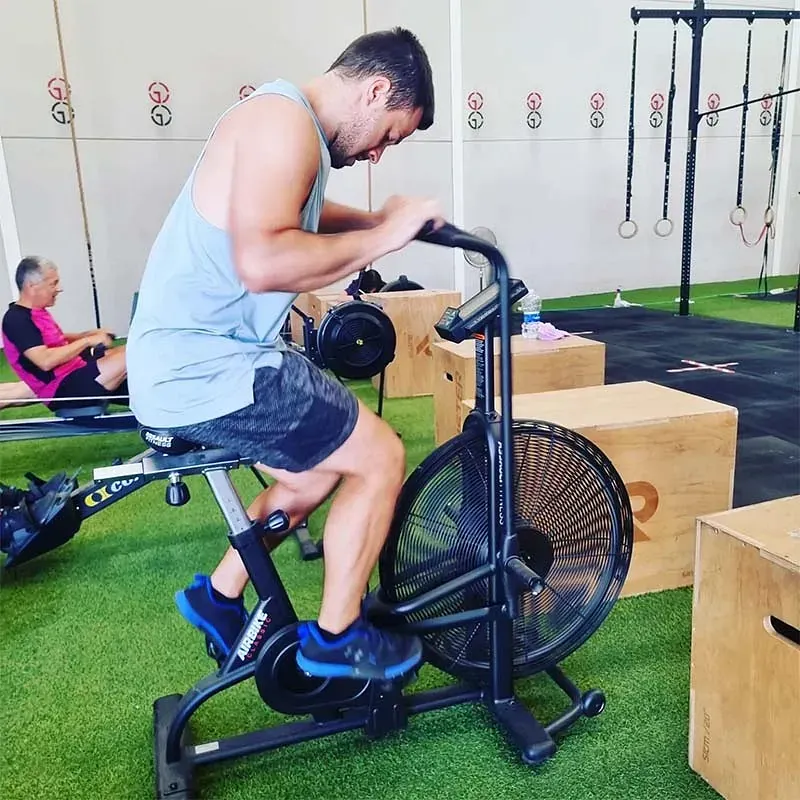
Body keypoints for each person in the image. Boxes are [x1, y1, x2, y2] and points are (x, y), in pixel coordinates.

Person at [126, 27, 442, 681]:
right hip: (207, 370)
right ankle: (337, 638)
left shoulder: (281, 121)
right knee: (381, 456)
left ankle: (217, 597)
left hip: (189, 365)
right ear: (377, 88)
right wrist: (384, 238)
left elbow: (298, 208)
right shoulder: (282, 123)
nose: (381, 152)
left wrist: (377, 218)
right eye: (390, 133)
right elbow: (266, 260)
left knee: (315, 470)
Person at [1, 256, 128, 409]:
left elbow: (53, 339)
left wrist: (87, 335)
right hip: (62, 390)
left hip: (75, 371)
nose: (59, 288)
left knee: (127, 351)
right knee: (131, 355)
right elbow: (45, 361)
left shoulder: (36, 312)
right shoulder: (17, 320)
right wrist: (87, 341)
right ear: (32, 285)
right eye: (53, 284)